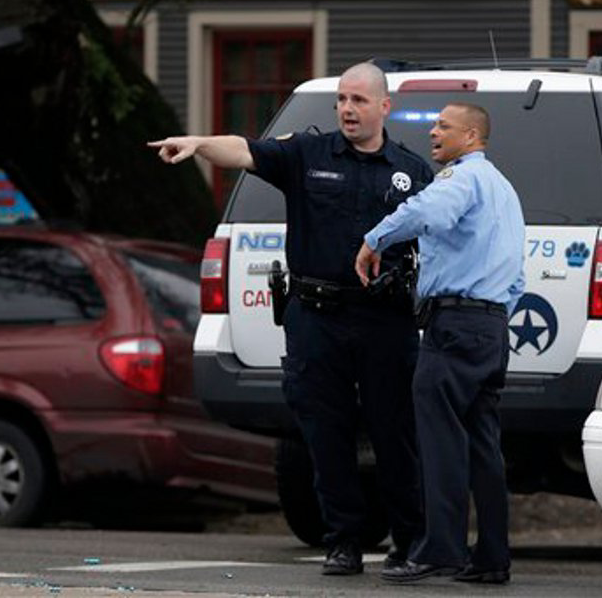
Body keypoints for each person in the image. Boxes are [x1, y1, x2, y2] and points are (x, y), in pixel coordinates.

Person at [149, 62, 433, 576]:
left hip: (383, 320)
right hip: (317, 316)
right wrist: (197, 142)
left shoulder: (411, 171)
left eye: (359, 101)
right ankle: (343, 540)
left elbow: (439, 240)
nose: (347, 109)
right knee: (325, 433)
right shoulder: (308, 153)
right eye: (342, 100)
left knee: (396, 433)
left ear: (383, 107)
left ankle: (409, 539)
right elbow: (244, 150)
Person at [355, 102, 525, 585]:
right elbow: (515, 275)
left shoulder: (461, 180)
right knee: (482, 445)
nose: (433, 132)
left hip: (454, 326)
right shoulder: (505, 191)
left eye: (444, 126)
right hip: (491, 328)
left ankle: (441, 550)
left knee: (439, 439)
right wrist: (491, 319)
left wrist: (375, 239)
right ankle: (492, 556)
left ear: (471, 136)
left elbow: (428, 211)